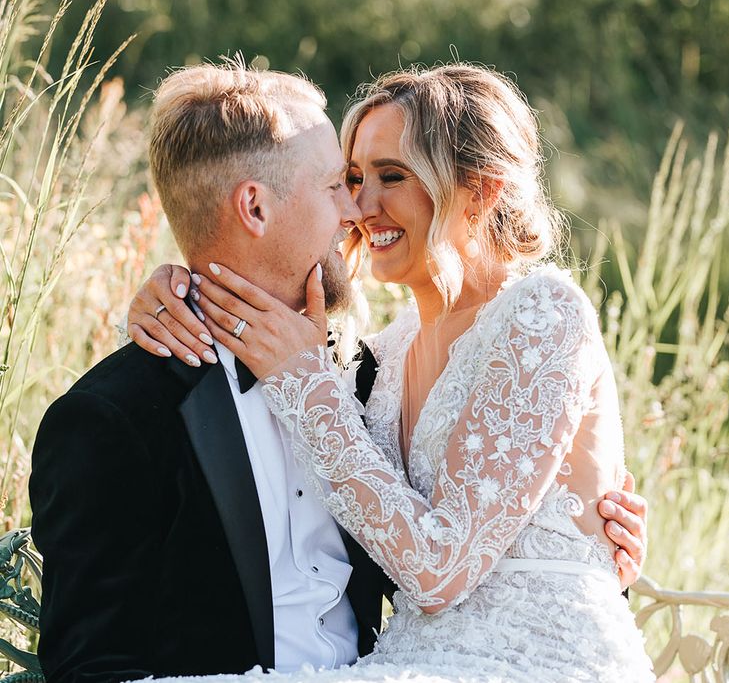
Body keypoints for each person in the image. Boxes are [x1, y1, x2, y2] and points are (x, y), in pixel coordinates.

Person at [126, 63, 654, 681]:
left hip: (533, 662)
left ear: (478, 191)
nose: (357, 206)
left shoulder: (543, 313)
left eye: (391, 177)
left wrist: (306, 389)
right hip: (412, 660)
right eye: (350, 179)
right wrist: (176, 291)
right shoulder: (386, 350)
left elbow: (440, 571)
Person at [29, 64, 396, 683]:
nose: (354, 210)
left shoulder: (367, 378)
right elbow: (92, 666)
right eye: (335, 185)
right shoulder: (109, 421)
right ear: (254, 206)